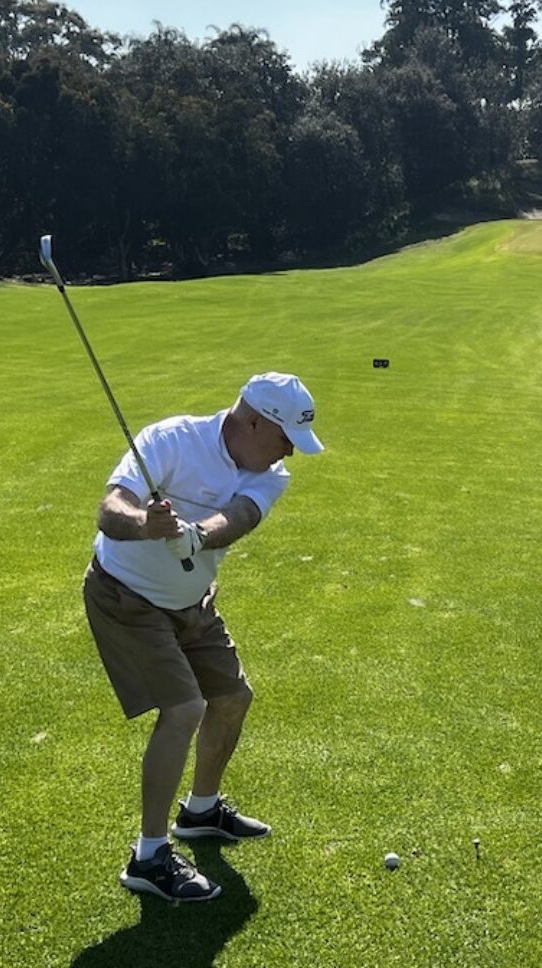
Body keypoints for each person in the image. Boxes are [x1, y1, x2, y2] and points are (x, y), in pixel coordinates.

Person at [81, 371, 324, 903]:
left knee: (233, 697)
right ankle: (149, 856)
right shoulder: (171, 440)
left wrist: (195, 535)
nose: (290, 451)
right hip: (126, 596)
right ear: (253, 421)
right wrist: (145, 523)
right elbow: (110, 509)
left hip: (192, 602)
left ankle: (200, 811)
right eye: (285, 437)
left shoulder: (272, 473)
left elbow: (239, 517)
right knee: (185, 707)